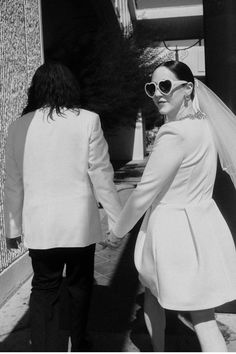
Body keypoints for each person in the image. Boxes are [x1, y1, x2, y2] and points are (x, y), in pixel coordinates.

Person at [107, 60, 236, 352]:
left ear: (188, 89)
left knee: (199, 316)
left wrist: (117, 231)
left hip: (173, 231)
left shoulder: (174, 133)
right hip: (203, 225)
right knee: (175, 303)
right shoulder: (205, 125)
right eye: (152, 87)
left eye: (165, 86)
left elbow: (144, 194)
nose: (157, 94)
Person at [3, 61, 122, 351]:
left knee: (44, 289)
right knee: (80, 288)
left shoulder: (19, 127)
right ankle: (79, 342)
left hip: (41, 227)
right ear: (70, 88)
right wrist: (117, 221)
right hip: (79, 226)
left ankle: (45, 347)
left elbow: (12, 183)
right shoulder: (88, 120)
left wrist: (12, 228)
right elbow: (102, 174)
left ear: (36, 89)